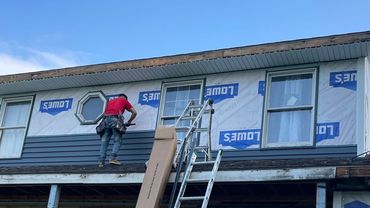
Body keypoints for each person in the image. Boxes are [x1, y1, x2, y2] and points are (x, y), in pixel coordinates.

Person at [98, 93, 137, 168]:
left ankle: (101, 161)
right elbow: (134, 113)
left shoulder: (110, 101)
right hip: (115, 120)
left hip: (105, 120)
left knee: (104, 141)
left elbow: (107, 113)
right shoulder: (124, 100)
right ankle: (112, 158)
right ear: (125, 98)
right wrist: (129, 122)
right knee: (117, 140)